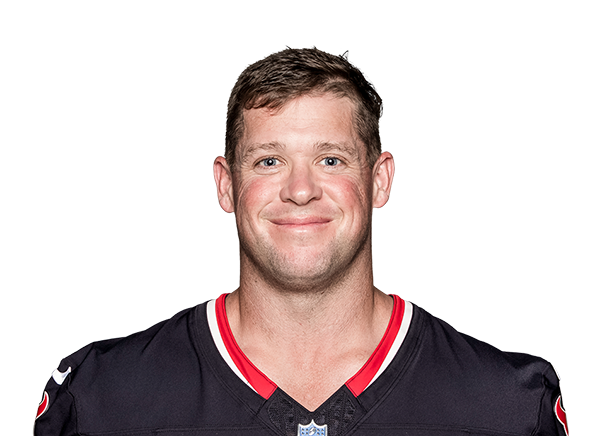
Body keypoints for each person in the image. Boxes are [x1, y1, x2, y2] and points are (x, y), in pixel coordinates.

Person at [34, 48, 569, 436]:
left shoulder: (507, 406)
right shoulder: (102, 398)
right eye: (269, 161)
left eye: (330, 160)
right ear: (227, 185)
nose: (300, 189)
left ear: (379, 180)